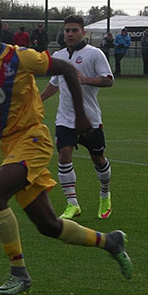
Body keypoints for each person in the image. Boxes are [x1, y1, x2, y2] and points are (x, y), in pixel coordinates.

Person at [0, 10, 131, 295]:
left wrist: (80, 116)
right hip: (9, 146)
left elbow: (65, 69)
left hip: (33, 139)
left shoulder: (21, 57)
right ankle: (109, 241)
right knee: (49, 226)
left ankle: (19, 274)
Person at [40, 15, 115, 221]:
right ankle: (72, 204)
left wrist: (85, 80)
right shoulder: (59, 55)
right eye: (67, 30)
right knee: (64, 155)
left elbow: (109, 80)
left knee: (98, 159)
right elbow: (54, 83)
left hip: (90, 118)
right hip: (65, 119)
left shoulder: (95, 54)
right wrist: (38, 100)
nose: (70, 34)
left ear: (84, 32)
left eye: (74, 30)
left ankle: (105, 194)